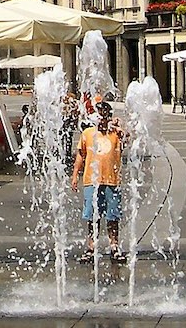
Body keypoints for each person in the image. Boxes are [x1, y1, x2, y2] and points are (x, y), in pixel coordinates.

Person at [71, 100, 126, 263]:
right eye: (99, 115)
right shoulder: (88, 134)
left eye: (105, 115)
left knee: (112, 216)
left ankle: (114, 246)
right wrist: (75, 174)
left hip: (112, 181)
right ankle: (91, 247)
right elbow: (81, 155)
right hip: (91, 180)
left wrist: (121, 128)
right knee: (92, 217)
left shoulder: (115, 133)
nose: (102, 119)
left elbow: (129, 140)